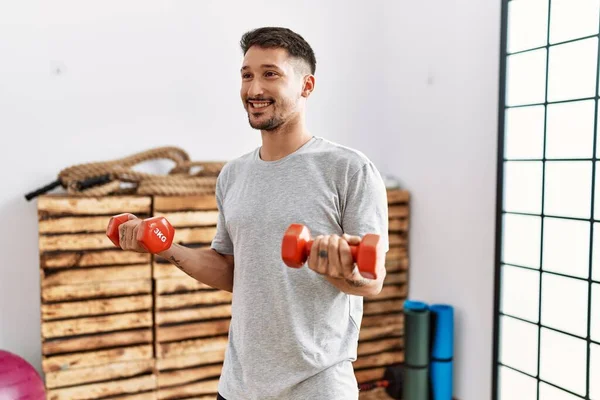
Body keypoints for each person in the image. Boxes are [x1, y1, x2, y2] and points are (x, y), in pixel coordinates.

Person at [117, 26, 389, 400]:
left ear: (306, 86)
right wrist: (165, 247)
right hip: (239, 386)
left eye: (270, 74)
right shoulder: (234, 175)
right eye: (247, 75)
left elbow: (371, 281)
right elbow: (232, 271)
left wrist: (345, 273)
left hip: (317, 388)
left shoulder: (348, 169)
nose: (254, 89)